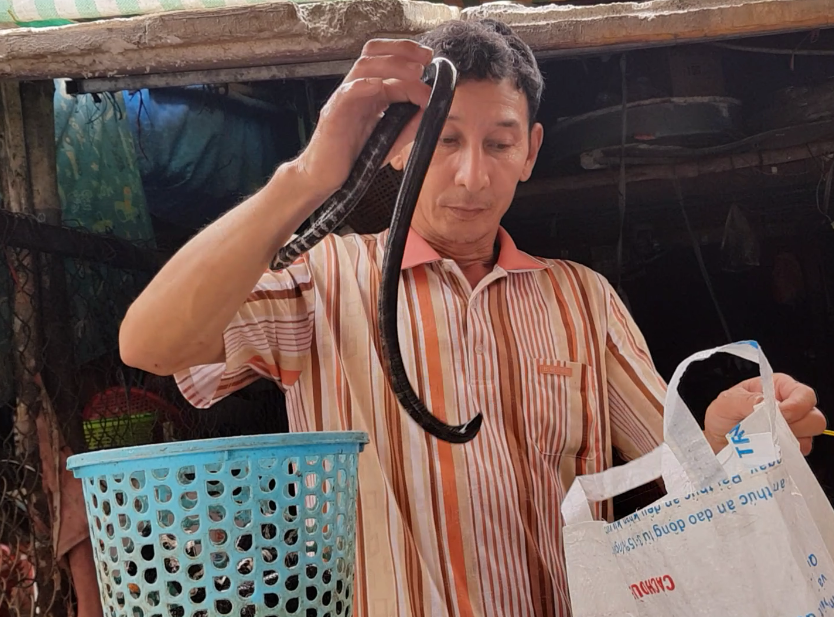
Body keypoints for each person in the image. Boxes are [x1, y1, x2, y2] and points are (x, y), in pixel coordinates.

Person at [119, 19, 827, 617]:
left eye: (499, 142)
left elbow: (671, 476)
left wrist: (728, 434)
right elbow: (149, 345)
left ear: (532, 151)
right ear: (399, 147)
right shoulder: (321, 281)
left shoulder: (583, 298)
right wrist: (306, 176)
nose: (471, 175)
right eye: (445, 140)